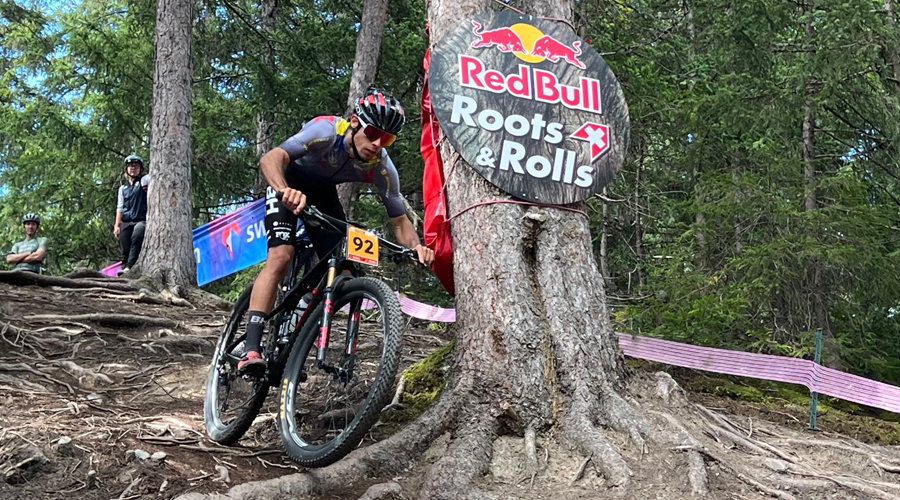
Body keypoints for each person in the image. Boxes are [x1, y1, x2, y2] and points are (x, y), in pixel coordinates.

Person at [238, 89, 435, 373]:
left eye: (387, 139)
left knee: (344, 272)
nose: (377, 143)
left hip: (322, 194)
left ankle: (299, 320)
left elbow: (400, 222)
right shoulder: (325, 131)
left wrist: (416, 247)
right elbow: (272, 157)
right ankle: (251, 348)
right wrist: (284, 191)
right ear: (355, 121)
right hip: (289, 180)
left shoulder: (381, 167)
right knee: (281, 257)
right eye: (373, 132)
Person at [114, 154, 150, 275]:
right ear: (126, 169)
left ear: (140, 168)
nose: (133, 168)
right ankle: (124, 268)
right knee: (125, 243)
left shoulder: (144, 181)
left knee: (137, 236)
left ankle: (130, 266)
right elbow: (120, 207)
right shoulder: (123, 188)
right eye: (130, 166)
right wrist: (117, 225)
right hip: (126, 221)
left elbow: (156, 177)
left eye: (136, 166)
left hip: (141, 220)